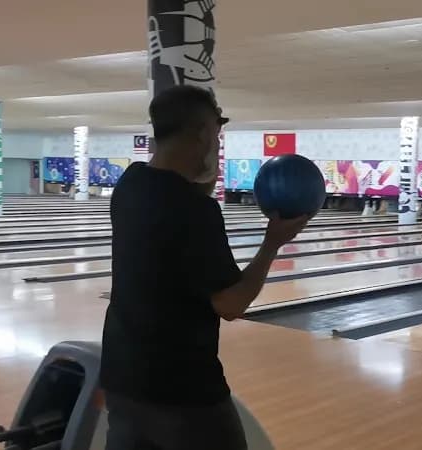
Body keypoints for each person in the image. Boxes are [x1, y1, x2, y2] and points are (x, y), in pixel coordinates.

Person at [101, 84, 308, 450]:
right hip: (183, 392)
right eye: (216, 130)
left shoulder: (130, 184)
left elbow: (176, 201)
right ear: (201, 133)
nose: (218, 140)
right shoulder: (196, 211)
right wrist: (272, 243)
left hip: (122, 379)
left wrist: (203, 169)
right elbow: (232, 304)